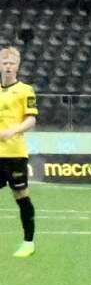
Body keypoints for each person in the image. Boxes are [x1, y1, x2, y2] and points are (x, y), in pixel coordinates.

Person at [0, 46, 37, 258]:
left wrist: (13, 130)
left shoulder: (25, 90)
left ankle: (28, 242)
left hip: (15, 154)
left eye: (11, 63)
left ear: (17, 66)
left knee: (21, 196)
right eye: (5, 63)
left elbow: (31, 119)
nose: (8, 67)